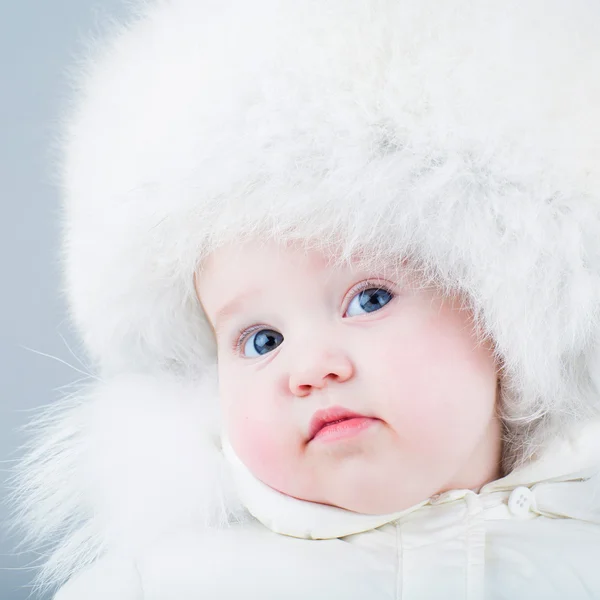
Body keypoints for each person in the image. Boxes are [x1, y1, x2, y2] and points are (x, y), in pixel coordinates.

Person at [11, 0, 600, 598]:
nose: (311, 369)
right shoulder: (161, 584)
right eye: (261, 340)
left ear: (505, 315)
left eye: (369, 299)